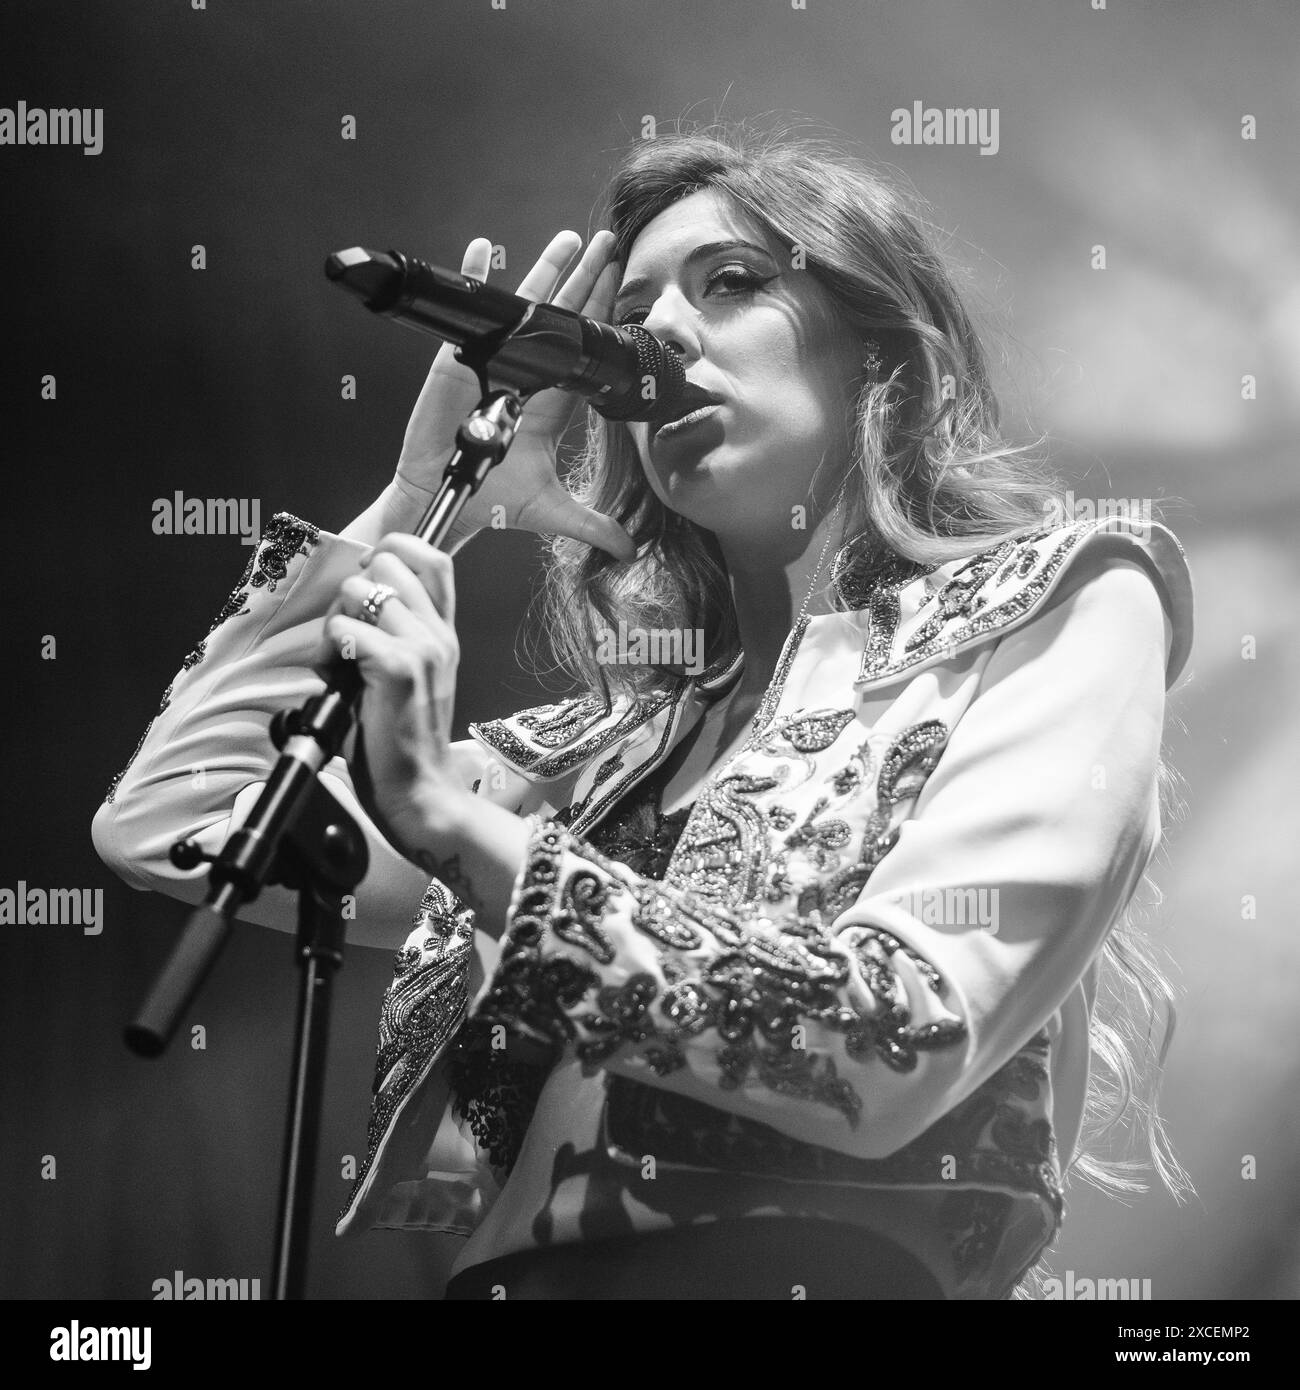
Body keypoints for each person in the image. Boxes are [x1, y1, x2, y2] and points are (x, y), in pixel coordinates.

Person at [92, 124, 1194, 1300]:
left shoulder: (1060, 599)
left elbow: (890, 1042)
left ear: (877, 345)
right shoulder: (594, 760)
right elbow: (173, 818)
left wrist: (460, 831)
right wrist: (423, 498)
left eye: (729, 283)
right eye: (633, 309)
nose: (657, 333)